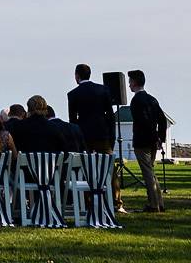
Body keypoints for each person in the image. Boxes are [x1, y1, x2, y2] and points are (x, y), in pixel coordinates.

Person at [67, 63, 121, 210]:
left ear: (77, 76)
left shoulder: (73, 94)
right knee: (109, 167)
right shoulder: (103, 90)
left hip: (84, 136)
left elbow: (73, 120)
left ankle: (88, 200)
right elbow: (110, 116)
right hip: (102, 134)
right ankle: (116, 201)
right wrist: (112, 137)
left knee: (85, 169)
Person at [128, 70, 168, 213]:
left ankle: (153, 204)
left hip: (142, 141)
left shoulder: (136, 101)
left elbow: (143, 121)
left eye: (130, 81)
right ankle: (159, 202)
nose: (129, 85)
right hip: (152, 141)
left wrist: (152, 135)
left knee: (147, 173)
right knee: (151, 171)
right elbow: (162, 120)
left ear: (134, 82)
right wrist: (159, 138)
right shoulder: (152, 99)